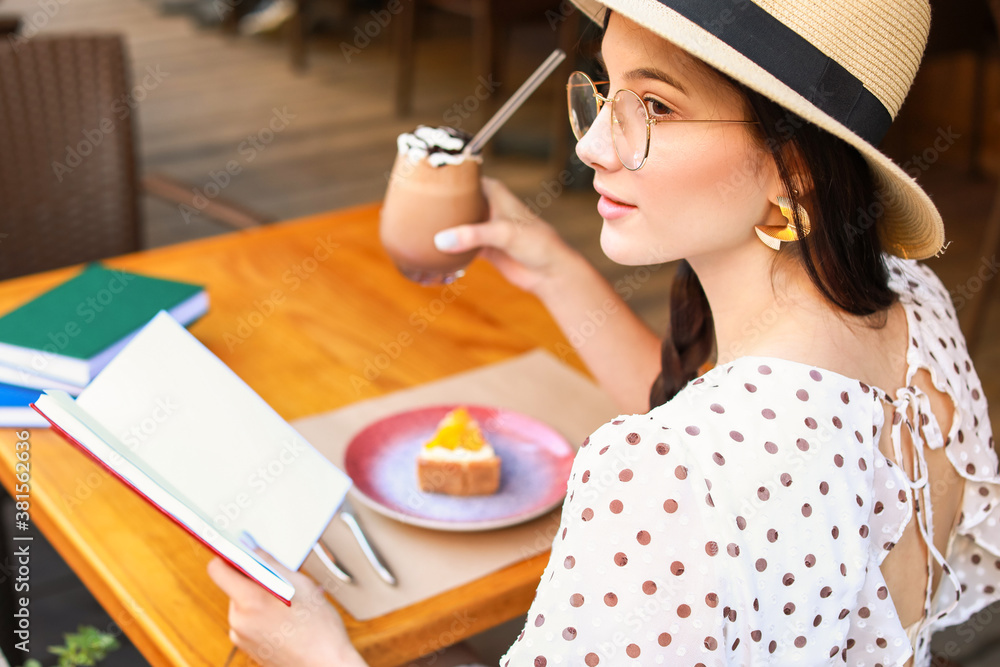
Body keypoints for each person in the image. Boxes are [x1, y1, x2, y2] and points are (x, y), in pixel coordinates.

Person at [207, 0, 1000, 665]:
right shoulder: (916, 315)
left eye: (655, 106)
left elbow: (700, 459)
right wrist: (552, 267)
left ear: (792, 170)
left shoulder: (663, 478)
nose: (591, 146)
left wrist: (315, 651)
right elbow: (717, 426)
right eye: (606, 88)